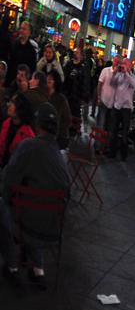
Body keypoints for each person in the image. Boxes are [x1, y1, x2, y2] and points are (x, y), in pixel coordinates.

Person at [0, 104, 70, 288]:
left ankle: (12, 266)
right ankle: (38, 268)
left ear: (37, 125)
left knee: (4, 205)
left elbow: (8, 181)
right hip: (54, 229)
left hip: (28, 227)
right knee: (34, 208)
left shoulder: (28, 146)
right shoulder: (60, 156)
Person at [102, 56, 135, 161]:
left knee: (125, 133)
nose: (123, 66)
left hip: (126, 108)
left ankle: (123, 154)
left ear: (130, 66)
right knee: (113, 130)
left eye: (126, 64)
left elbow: (133, 84)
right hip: (116, 107)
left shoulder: (133, 77)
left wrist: (126, 73)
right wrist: (115, 72)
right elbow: (112, 83)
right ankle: (112, 152)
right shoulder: (119, 75)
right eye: (123, 64)